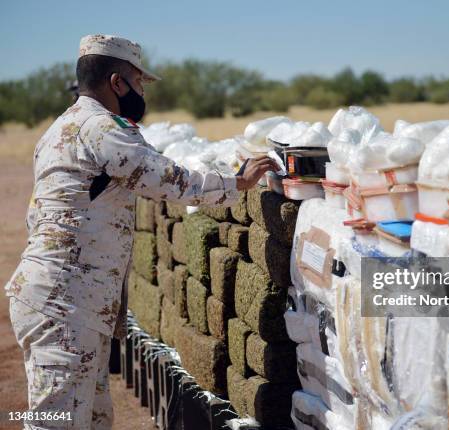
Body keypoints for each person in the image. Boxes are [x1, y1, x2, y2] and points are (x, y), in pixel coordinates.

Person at [5, 34, 278, 429]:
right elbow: (169, 181)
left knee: (92, 418)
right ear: (117, 82)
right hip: (65, 305)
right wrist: (238, 183)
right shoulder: (103, 128)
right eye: (138, 81)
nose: (141, 91)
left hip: (67, 301)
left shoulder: (61, 128)